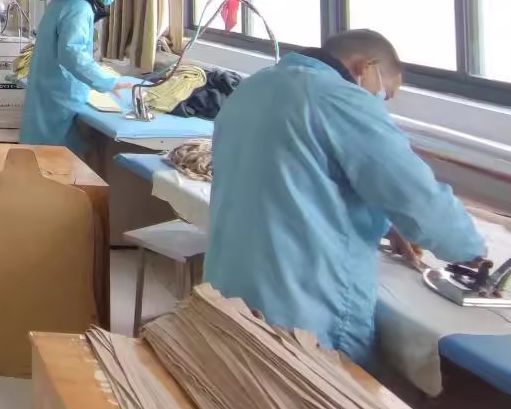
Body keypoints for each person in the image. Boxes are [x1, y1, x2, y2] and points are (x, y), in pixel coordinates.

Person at [204, 29, 485, 365]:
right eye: (384, 93)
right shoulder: (340, 99)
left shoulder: (257, 86)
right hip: (304, 306)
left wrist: (387, 225)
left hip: (234, 285)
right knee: (326, 391)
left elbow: (292, 179)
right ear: (365, 67)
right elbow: (415, 195)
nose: (379, 100)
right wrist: (471, 251)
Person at [20, 0, 135, 152]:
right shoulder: (79, 7)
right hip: (60, 93)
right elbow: (72, 54)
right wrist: (108, 82)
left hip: (46, 86)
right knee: (55, 157)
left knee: (38, 152)